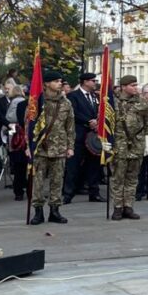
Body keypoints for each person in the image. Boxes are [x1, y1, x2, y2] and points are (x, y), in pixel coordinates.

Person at [30, 71, 75, 225]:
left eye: (60, 81)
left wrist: (70, 146)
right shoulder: (36, 102)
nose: (60, 84)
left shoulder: (66, 103)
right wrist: (28, 145)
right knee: (38, 181)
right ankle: (38, 211)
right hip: (40, 147)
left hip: (59, 147)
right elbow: (28, 125)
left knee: (57, 181)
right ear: (47, 83)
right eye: (56, 81)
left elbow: (70, 127)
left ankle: (55, 211)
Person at [109, 76, 148, 221]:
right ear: (123, 86)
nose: (136, 87)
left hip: (137, 143)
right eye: (132, 85)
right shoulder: (112, 101)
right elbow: (106, 123)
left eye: (136, 85)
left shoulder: (142, 101)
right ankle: (117, 207)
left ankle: (128, 206)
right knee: (117, 178)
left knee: (132, 178)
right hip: (118, 144)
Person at [63, 72, 103, 204]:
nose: (95, 83)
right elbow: (73, 112)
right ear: (85, 82)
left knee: (94, 165)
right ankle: (68, 193)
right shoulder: (72, 96)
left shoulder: (95, 96)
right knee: (73, 166)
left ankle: (94, 192)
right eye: (92, 80)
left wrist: (98, 121)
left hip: (93, 137)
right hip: (79, 135)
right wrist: (88, 121)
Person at [5, 84, 29, 201]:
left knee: (20, 165)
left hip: (19, 136)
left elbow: (9, 117)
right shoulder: (21, 103)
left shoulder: (16, 102)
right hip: (22, 136)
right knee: (22, 165)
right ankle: (22, 189)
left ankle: (19, 190)